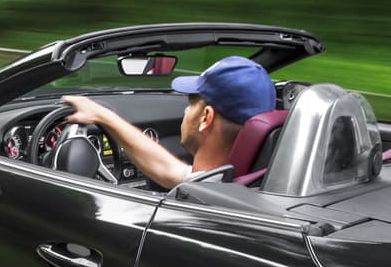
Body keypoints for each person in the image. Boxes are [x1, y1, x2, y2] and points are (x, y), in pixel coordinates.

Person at [63, 55, 276, 189]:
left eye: (191, 104)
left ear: (205, 118)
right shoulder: (251, 182)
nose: (185, 110)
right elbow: (172, 171)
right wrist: (103, 116)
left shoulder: (200, 202)